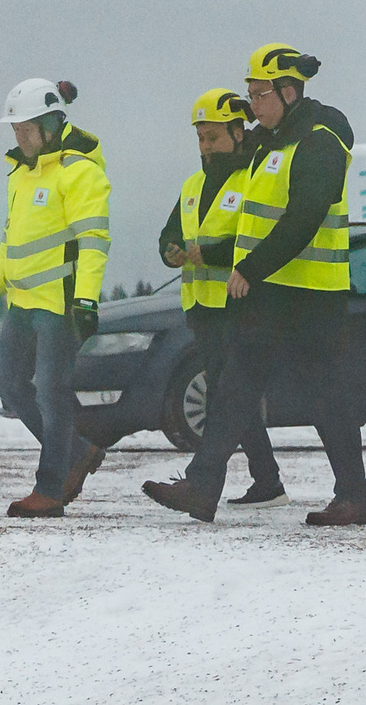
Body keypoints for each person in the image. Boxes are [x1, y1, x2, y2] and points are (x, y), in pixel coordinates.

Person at [145, 45, 366, 527]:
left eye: (259, 94)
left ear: (289, 92)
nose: (252, 104)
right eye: (249, 93)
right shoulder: (271, 142)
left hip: (310, 293)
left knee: (325, 394)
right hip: (274, 292)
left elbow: (305, 215)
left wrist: (251, 266)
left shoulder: (320, 139)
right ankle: (203, 487)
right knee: (236, 386)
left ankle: (354, 495)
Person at [0, 78, 111, 518]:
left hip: (60, 304)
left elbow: (93, 241)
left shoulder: (80, 171)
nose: (19, 138)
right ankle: (78, 452)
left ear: (51, 125)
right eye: (14, 131)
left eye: (26, 130)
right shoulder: (21, 173)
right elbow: (10, 238)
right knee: (8, 384)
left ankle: (51, 488)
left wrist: (86, 300)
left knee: (52, 394)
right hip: (23, 302)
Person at [158, 88, 285, 509]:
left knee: (227, 396)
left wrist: (205, 254)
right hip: (202, 306)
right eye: (200, 138)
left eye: (212, 137)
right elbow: (170, 231)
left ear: (237, 131)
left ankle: (205, 483)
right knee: (233, 395)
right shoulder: (194, 183)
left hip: (239, 304)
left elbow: (256, 240)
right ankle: (267, 481)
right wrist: (171, 251)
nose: (205, 146)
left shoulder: (253, 178)